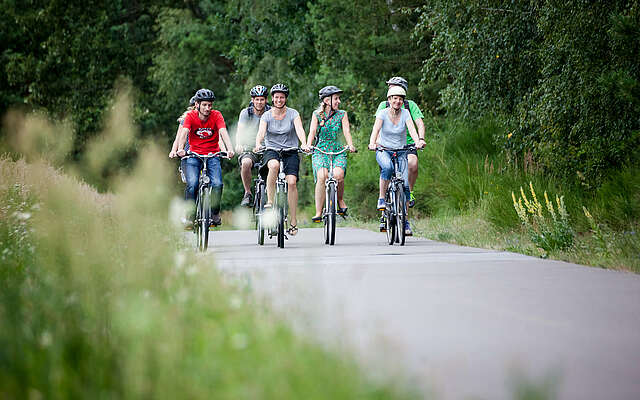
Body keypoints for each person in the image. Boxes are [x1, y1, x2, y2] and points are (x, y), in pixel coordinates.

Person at [253, 83, 310, 236]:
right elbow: (261, 132)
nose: (279, 100)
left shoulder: (293, 114)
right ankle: (270, 201)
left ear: (285, 99)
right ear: (272, 98)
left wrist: (304, 144)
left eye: (282, 97)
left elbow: (299, 129)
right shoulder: (266, 115)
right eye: (276, 97)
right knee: (273, 166)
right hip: (271, 150)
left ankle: (293, 221)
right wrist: (258, 144)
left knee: (291, 182)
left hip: (290, 151)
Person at [369, 86, 424, 236]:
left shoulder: (406, 113)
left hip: (401, 151)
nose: (397, 101)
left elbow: (412, 129)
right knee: (386, 168)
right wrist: (372, 143)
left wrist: (418, 141)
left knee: (405, 185)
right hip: (383, 150)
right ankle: (381, 198)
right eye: (395, 98)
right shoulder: (382, 113)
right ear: (389, 100)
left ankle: (404, 220)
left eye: (400, 99)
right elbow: (375, 130)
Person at [174, 88, 234, 226]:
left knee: (218, 184)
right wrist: (181, 149)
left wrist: (229, 149)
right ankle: (190, 216)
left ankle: (214, 213)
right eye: (204, 105)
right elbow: (184, 133)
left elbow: (223, 132)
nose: (207, 108)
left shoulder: (217, 115)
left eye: (210, 105)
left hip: (212, 155)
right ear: (197, 105)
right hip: (194, 155)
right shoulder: (190, 116)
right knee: (193, 184)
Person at [306, 85, 356, 223]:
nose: (339, 101)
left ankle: (339, 200)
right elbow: (312, 131)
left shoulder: (342, 114)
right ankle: (318, 211)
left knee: (338, 175)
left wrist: (350, 144)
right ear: (327, 100)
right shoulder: (316, 114)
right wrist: (308, 145)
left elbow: (346, 131)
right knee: (322, 176)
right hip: (320, 150)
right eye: (336, 99)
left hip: (337, 150)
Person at [376, 77, 426, 208]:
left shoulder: (410, 106)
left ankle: (410, 191)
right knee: (387, 169)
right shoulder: (384, 106)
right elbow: (377, 126)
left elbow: (419, 124)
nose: (391, 90)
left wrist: (420, 139)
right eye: (390, 88)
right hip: (387, 145)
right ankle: (384, 208)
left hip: (407, 144)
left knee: (412, 164)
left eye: (393, 87)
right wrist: (375, 143)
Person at [235, 85, 271, 207]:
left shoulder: (271, 112)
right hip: (249, 148)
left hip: (268, 147)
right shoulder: (246, 113)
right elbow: (240, 131)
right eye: (257, 99)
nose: (259, 102)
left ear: (266, 100)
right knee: (246, 163)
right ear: (252, 100)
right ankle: (247, 193)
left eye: (262, 99)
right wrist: (239, 143)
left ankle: (272, 195)